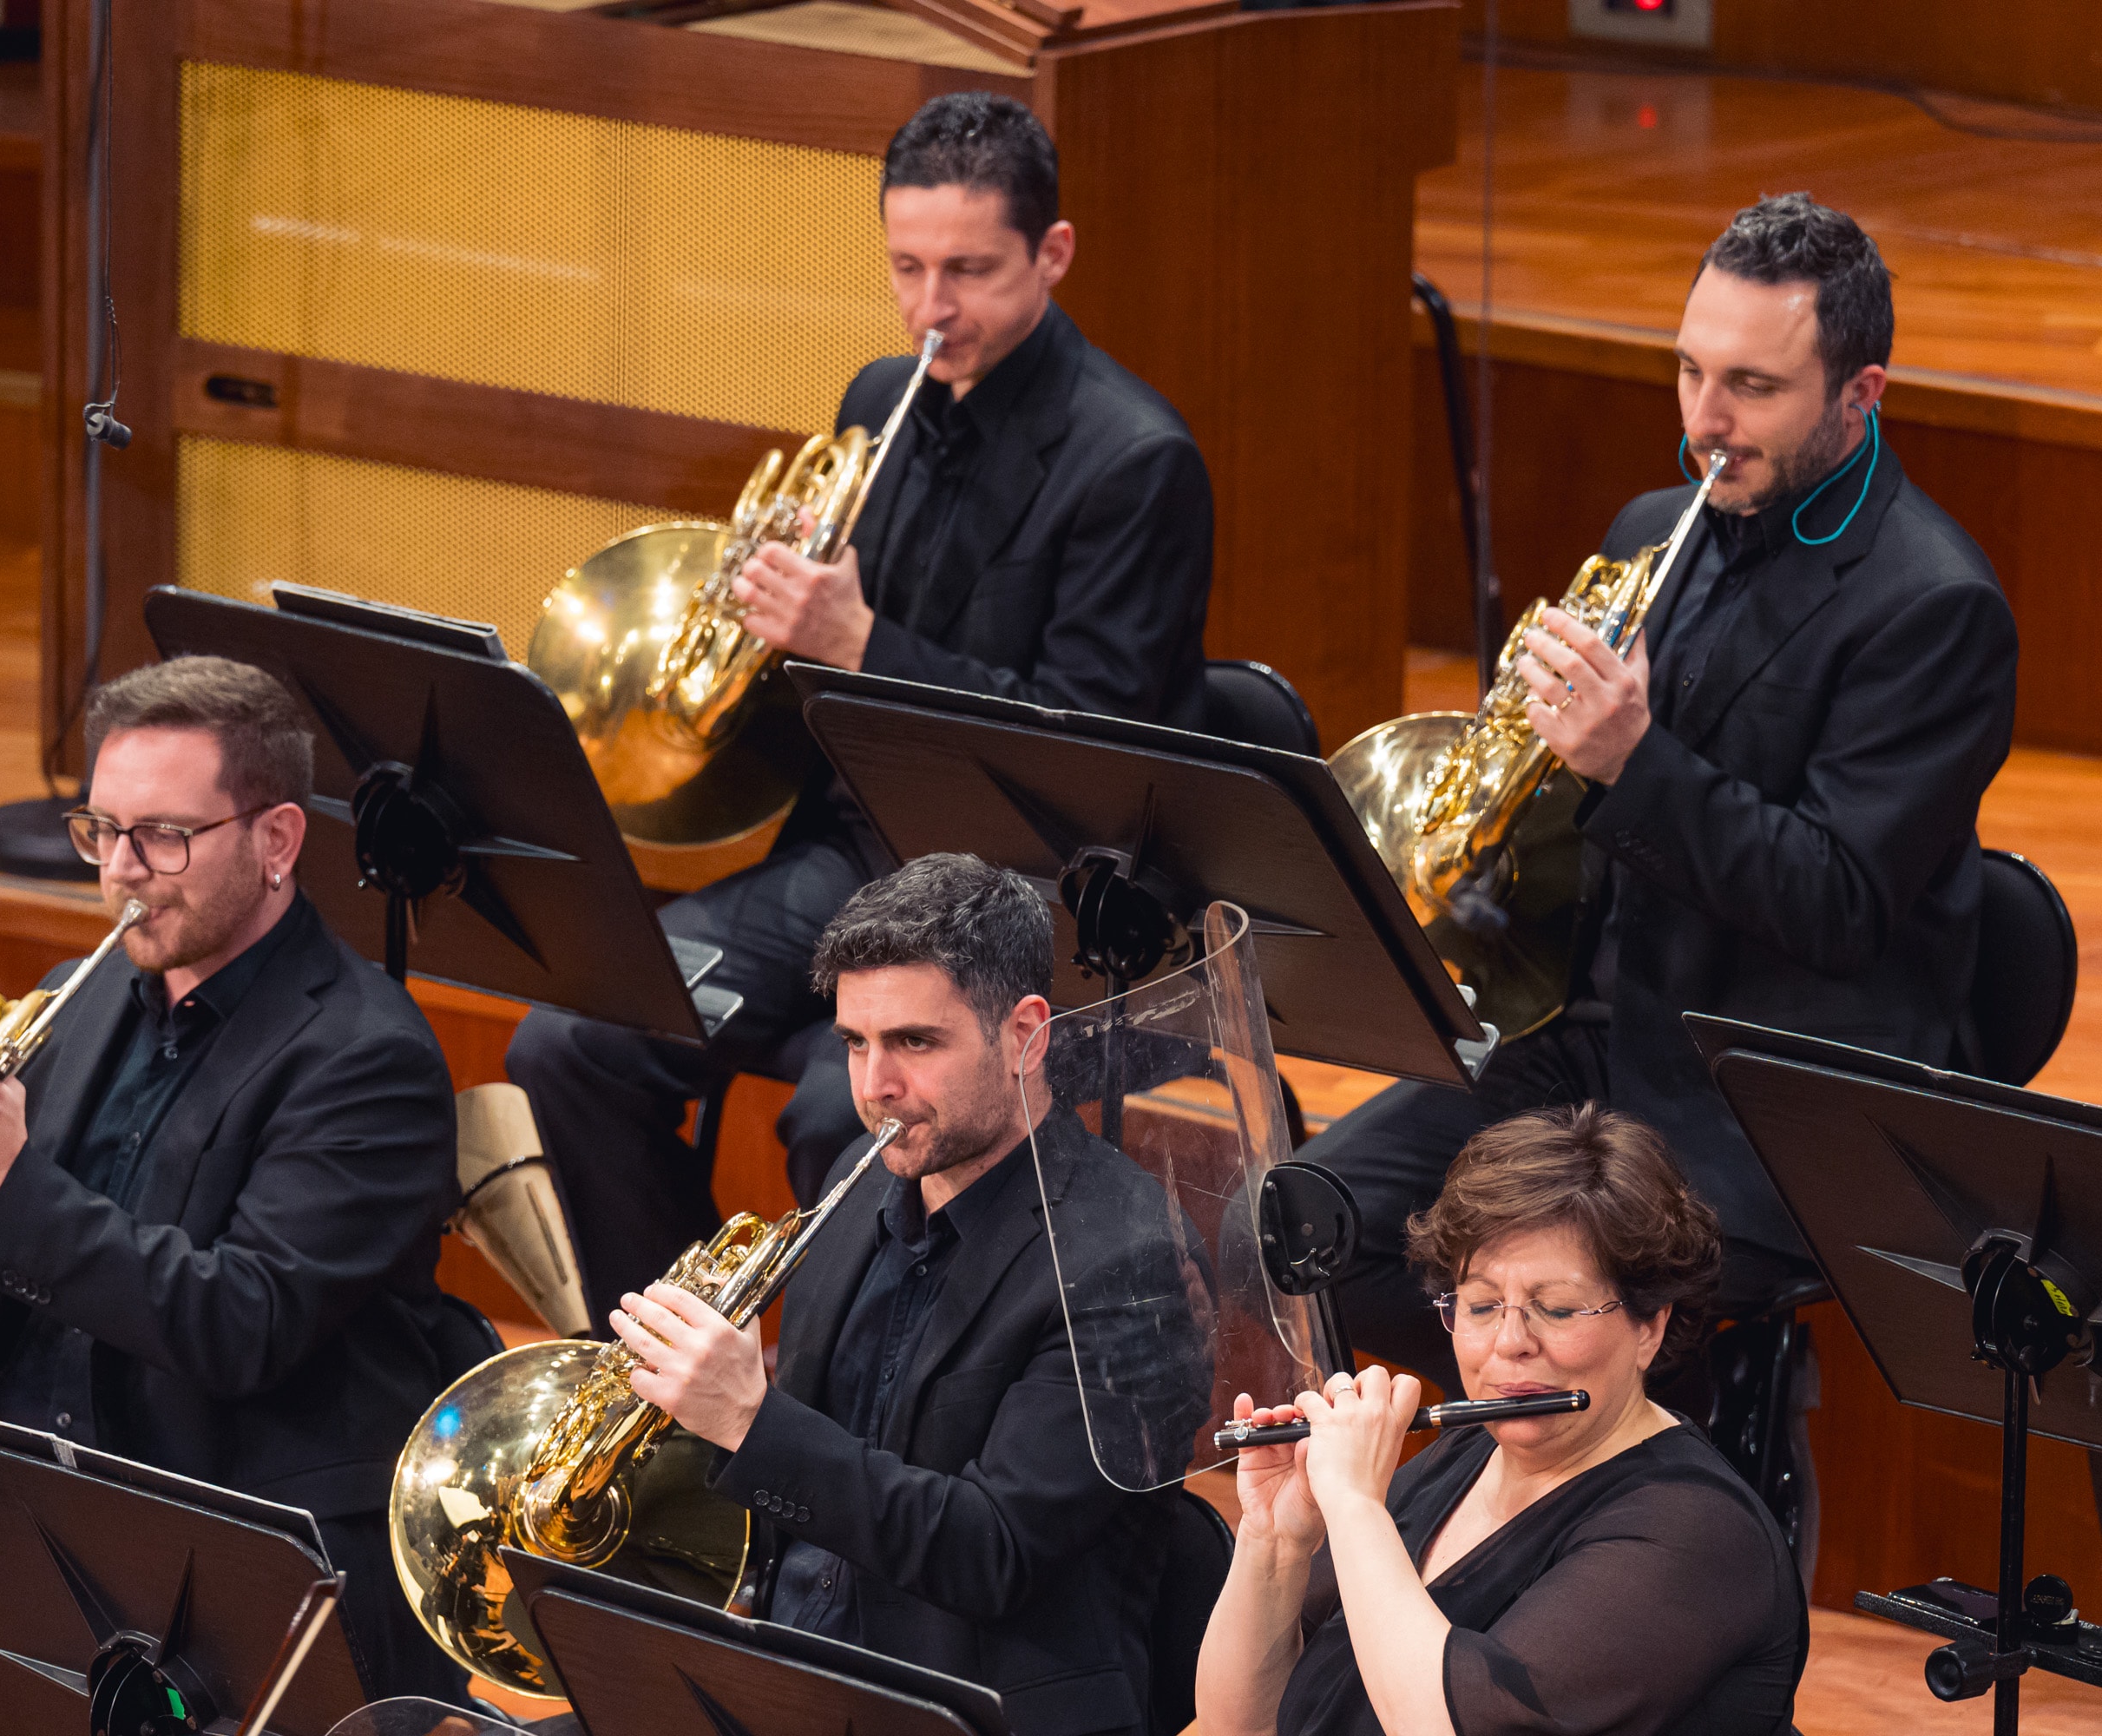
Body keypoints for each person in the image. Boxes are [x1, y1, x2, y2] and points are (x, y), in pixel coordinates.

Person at [507, 89, 1217, 1324]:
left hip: (1028, 898)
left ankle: (846, 1421)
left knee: (855, 1105)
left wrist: (863, 642)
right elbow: (817, 695)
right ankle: (680, 1362)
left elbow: (1085, 757)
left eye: (970, 271)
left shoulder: (1135, 463)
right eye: (906, 267)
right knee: (572, 1038)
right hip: (848, 859)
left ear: (1052, 254)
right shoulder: (878, 403)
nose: (932, 309)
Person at [1312, 193, 2019, 1391]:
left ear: (1863, 393)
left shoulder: (1934, 608)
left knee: (1574, 1304)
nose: (1704, 420)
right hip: (1584, 1042)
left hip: (1758, 1098)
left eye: (1751, 385)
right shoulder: (1658, 525)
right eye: (1688, 370)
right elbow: (1577, 825)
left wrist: (1631, 764)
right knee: (1311, 1225)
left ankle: (1672, 1470)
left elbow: (1839, 902)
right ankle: (1545, 1469)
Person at [0, 654, 477, 1720]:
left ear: (277, 840)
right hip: (12, 1482)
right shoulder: (83, 992)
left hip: (214, 1526)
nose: (121, 869)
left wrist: (6, 1176)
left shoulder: (365, 1057)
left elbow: (240, 1320)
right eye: (101, 831)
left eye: (162, 836)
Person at [604, 853, 1211, 1736]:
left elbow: (993, 1551)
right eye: (855, 1041)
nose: (873, 1086)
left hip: (972, 1703)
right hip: (796, 1666)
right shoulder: (862, 1176)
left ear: (1026, 1034)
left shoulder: (1128, 1260)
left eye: (915, 1042)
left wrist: (750, 1419)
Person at [1196, 1106, 1808, 1736]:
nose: (1509, 1343)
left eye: (1558, 1310)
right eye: (1482, 1305)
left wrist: (1354, 1505)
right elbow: (1238, 1724)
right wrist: (1275, 1541)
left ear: (1649, 1325)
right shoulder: (1465, 1454)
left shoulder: (1696, 1534)